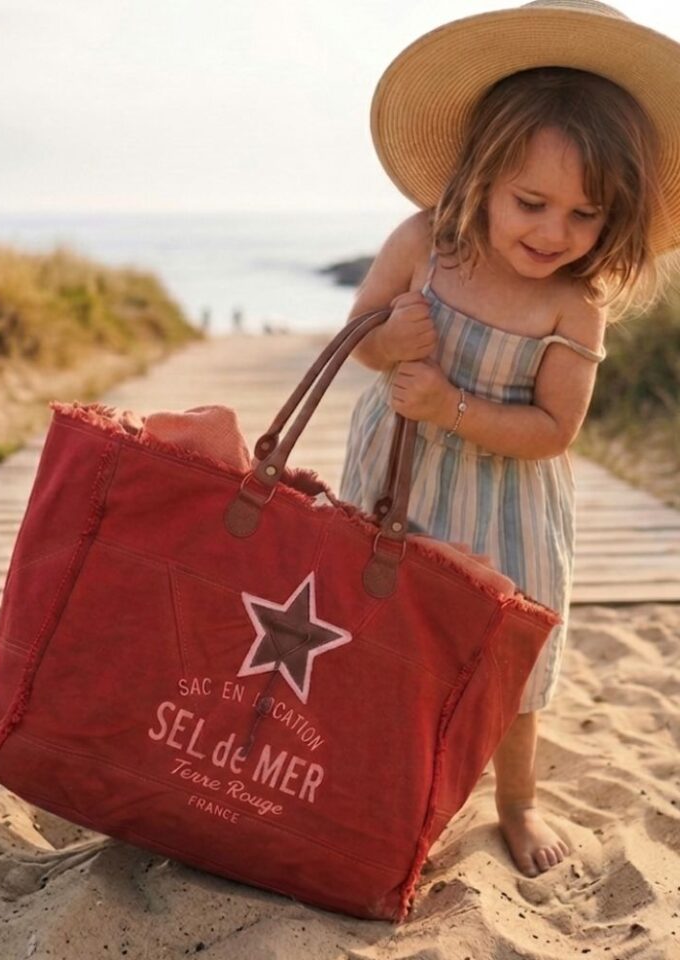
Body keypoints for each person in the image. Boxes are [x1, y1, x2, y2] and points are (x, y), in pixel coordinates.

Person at [338, 0, 680, 879]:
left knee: (507, 655)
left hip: (506, 502)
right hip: (401, 478)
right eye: (531, 203)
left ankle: (517, 800)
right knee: (381, 627)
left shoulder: (573, 305)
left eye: (585, 215)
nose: (553, 233)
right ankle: (380, 775)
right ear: (483, 174)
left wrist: (450, 404)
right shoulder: (425, 244)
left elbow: (554, 430)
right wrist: (390, 340)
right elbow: (359, 339)